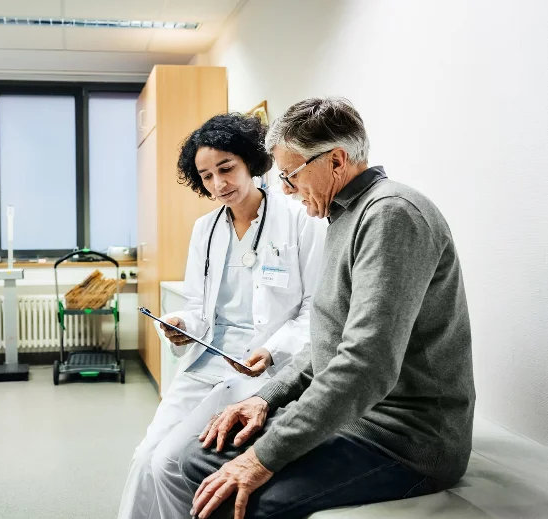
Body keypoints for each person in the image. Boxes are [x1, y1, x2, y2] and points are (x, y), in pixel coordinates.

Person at [181, 97, 476, 519]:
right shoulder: (345, 218)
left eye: (291, 174)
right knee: (200, 459)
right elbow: (329, 341)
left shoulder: (392, 216)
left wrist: (262, 458)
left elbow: (365, 365)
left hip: (404, 439)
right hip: (357, 418)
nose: (283, 188)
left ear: (336, 160)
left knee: (245, 498)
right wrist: (266, 399)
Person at [118, 113, 326, 519]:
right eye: (207, 176)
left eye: (226, 168)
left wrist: (271, 350)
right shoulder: (206, 229)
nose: (219, 184)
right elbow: (198, 307)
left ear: (250, 161)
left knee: (169, 465)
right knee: (146, 459)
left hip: (259, 369)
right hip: (207, 360)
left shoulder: (298, 220)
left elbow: (315, 310)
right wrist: (182, 325)